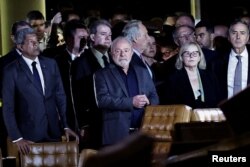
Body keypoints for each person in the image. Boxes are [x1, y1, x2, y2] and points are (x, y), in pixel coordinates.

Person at [2, 28, 79, 155]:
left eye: (36, 41)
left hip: (54, 132)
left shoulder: (50, 64)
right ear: (20, 46)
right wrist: (17, 138)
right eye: (31, 42)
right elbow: (8, 107)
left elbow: (60, 96)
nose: (36, 44)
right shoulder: (11, 71)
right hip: (28, 137)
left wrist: (65, 125)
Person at [93, 36, 159, 146]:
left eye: (126, 50)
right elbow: (102, 100)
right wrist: (131, 102)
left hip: (143, 131)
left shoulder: (142, 71)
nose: (122, 54)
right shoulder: (102, 74)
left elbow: (154, 96)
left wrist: (149, 102)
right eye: (118, 51)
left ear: (132, 52)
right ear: (111, 53)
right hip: (117, 134)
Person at [71, 19, 112, 149]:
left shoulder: (114, 59)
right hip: (94, 122)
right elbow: (77, 95)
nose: (108, 38)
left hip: (112, 120)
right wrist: (84, 124)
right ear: (93, 37)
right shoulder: (81, 62)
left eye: (110, 35)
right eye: (103, 34)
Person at [162, 42, 221, 108]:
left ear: (199, 57)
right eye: (187, 53)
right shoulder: (173, 79)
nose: (191, 56)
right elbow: (170, 105)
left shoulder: (210, 76)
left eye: (195, 53)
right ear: (181, 57)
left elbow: (218, 101)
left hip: (209, 117)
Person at [213, 19, 250, 100]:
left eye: (242, 33)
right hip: (225, 109)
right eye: (234, 33)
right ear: (228, 37)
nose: (238, 37)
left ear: (248, 37)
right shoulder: (217, 61)